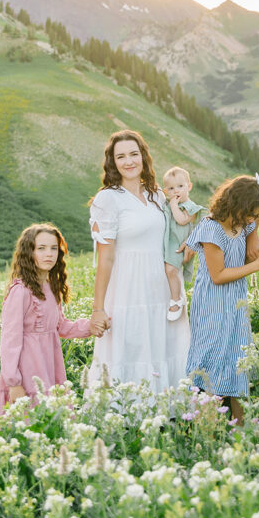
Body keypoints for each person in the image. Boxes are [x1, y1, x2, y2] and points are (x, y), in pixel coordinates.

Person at [87, 130, 191, 392]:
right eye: (120, 156)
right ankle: (128, 418)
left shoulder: (158, 195)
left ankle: (170, 417)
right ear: (113, 162)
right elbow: (105, 258)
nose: (128, 161)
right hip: (128, 289)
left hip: (164, 288)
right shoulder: (107, 199)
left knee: (166, 346)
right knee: (131, 347)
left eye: (134, 154)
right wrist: (98, 308)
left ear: (143, 157)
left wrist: (190, 244)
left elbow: (178, 228)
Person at [184, 176, 259, 424]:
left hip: (236, 303)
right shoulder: (211, 228)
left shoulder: (242, 226)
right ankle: (207, 432)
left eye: (256, 215)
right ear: (236, 204)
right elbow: (218, 275)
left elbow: (241, 264)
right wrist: (258, 266)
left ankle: (242, 431)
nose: (252, 220)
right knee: (212, 359)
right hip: (212, 304)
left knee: (238, 359)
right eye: (250, 213)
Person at [0, 223, 101, 418]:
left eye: (53, 248)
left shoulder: (51, 288)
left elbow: (61, 327)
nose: (48, 254)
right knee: (28, 422)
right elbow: (9, 341)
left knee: (51, 421)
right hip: (27, 369)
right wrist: (14, 383)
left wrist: (91, 325)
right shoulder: (20, 291)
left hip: (50, 364)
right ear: (28, 252)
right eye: (41, 248)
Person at [161, 166, 206, 321]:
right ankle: (171, 296)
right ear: (166, 191)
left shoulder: (190, 207)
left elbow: (182, 220)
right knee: (166, 271)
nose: (176, 191)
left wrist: (173, 205)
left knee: (171, 270)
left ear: (189, 186)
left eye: (180, 186)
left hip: (178, 246)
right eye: (171, 188)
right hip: (168, 242)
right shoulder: (169, 204)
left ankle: (176, 299)